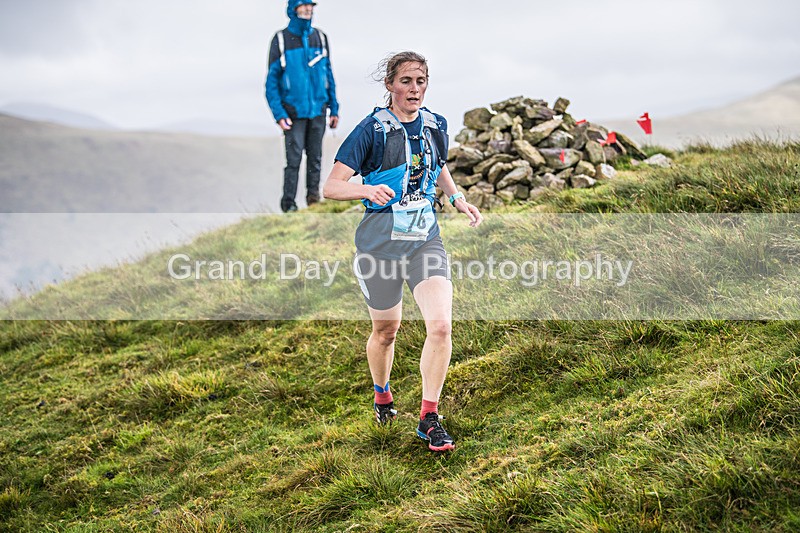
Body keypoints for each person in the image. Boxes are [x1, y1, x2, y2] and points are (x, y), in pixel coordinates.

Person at [323, 51, 483, 452]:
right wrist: (364, 188)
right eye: (407, 81)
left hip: (425, 239)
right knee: (386, 330)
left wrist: (457, 197)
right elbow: (331, 186)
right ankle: (383, 397)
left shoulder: (434, 125)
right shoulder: (370, 131)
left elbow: (437, 164)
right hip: (379, 245)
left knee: (441, 326)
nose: (415, 89)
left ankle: (429, 417)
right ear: (390, 85)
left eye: (421, 81)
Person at [265, 0, 339, 213]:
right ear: (293, 9)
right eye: (303, 5)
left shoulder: (321, 38)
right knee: (294, 160)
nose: (308, 9)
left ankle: (313, 200)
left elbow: (329, 75)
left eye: (311, 6)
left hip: (318, 110)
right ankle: (289, 205)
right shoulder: (280, 40)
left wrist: (334, 108)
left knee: (315, 157)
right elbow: (271, 83)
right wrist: (279, 114)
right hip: (292, 113)